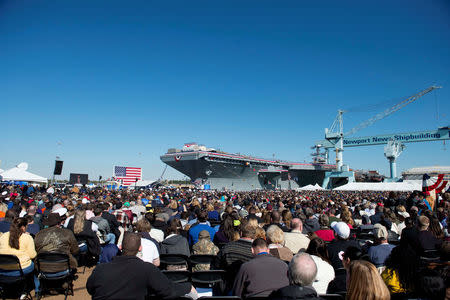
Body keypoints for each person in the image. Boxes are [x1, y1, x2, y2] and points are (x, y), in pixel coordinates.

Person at [87, 232, 197, 300]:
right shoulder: (147, 269)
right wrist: (188, 287)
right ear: (140, 248)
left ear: (120, 247)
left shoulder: (100, 269)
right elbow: (168, 291)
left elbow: (90, 288)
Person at [0, 217, 39, 294]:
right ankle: (37, 289)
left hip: (3, 269)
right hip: (21, 269)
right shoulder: (27, 237)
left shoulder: (3, 236)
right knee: (34, 265)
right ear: (23, 227)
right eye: (27, 226)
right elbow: (32, 255)